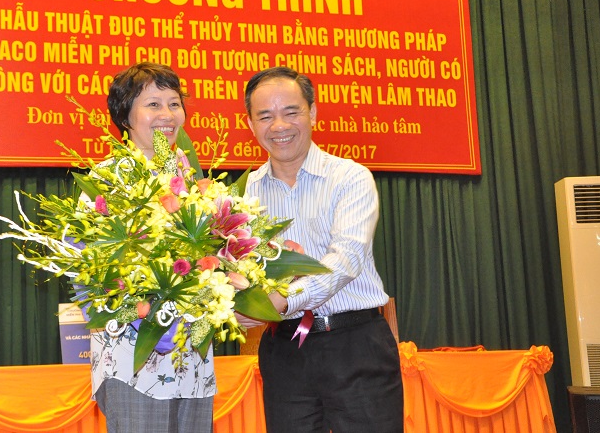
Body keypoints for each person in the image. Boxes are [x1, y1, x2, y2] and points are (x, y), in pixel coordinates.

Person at [239, 66, 403, 433]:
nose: (279, 125)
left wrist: (281, 300)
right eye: (265, 116)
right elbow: (244, 268)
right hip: (285, 350)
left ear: (312, 113)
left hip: (355, 345)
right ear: (250, 124)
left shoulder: (350, 178)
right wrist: (242, 306)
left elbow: (345, 259)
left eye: (291, 112)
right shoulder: (247, 193)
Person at [90, 62, 215, 432]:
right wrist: (145, 310)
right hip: (134, 359)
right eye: (153, 105)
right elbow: (92, 274)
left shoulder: (190, 179)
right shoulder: (107, 180)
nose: (167, 115)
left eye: (174, 104)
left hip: (192, 358)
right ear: (125, 116)